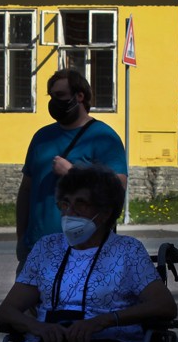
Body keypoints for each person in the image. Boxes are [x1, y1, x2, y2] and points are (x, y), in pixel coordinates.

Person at [0, 166, 176, 342]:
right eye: (65, 203)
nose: (69, 212)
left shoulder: (127, 251)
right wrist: (39, 328)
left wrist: (103, 321)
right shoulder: (46, 248)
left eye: (80, 204)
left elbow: (164, 305)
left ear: (104, 212)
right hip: (50, 340)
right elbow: (6, 311)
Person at [16, 69, 127, 265]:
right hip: (37, 248)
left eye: (60, 95)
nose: (54, 102)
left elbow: (117, 188)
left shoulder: (103, 137)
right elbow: (26, 190)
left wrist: (72, 173)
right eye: (51, 96)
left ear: (79, 96)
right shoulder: (42, 137)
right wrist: (21, 238)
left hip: (84, 250)